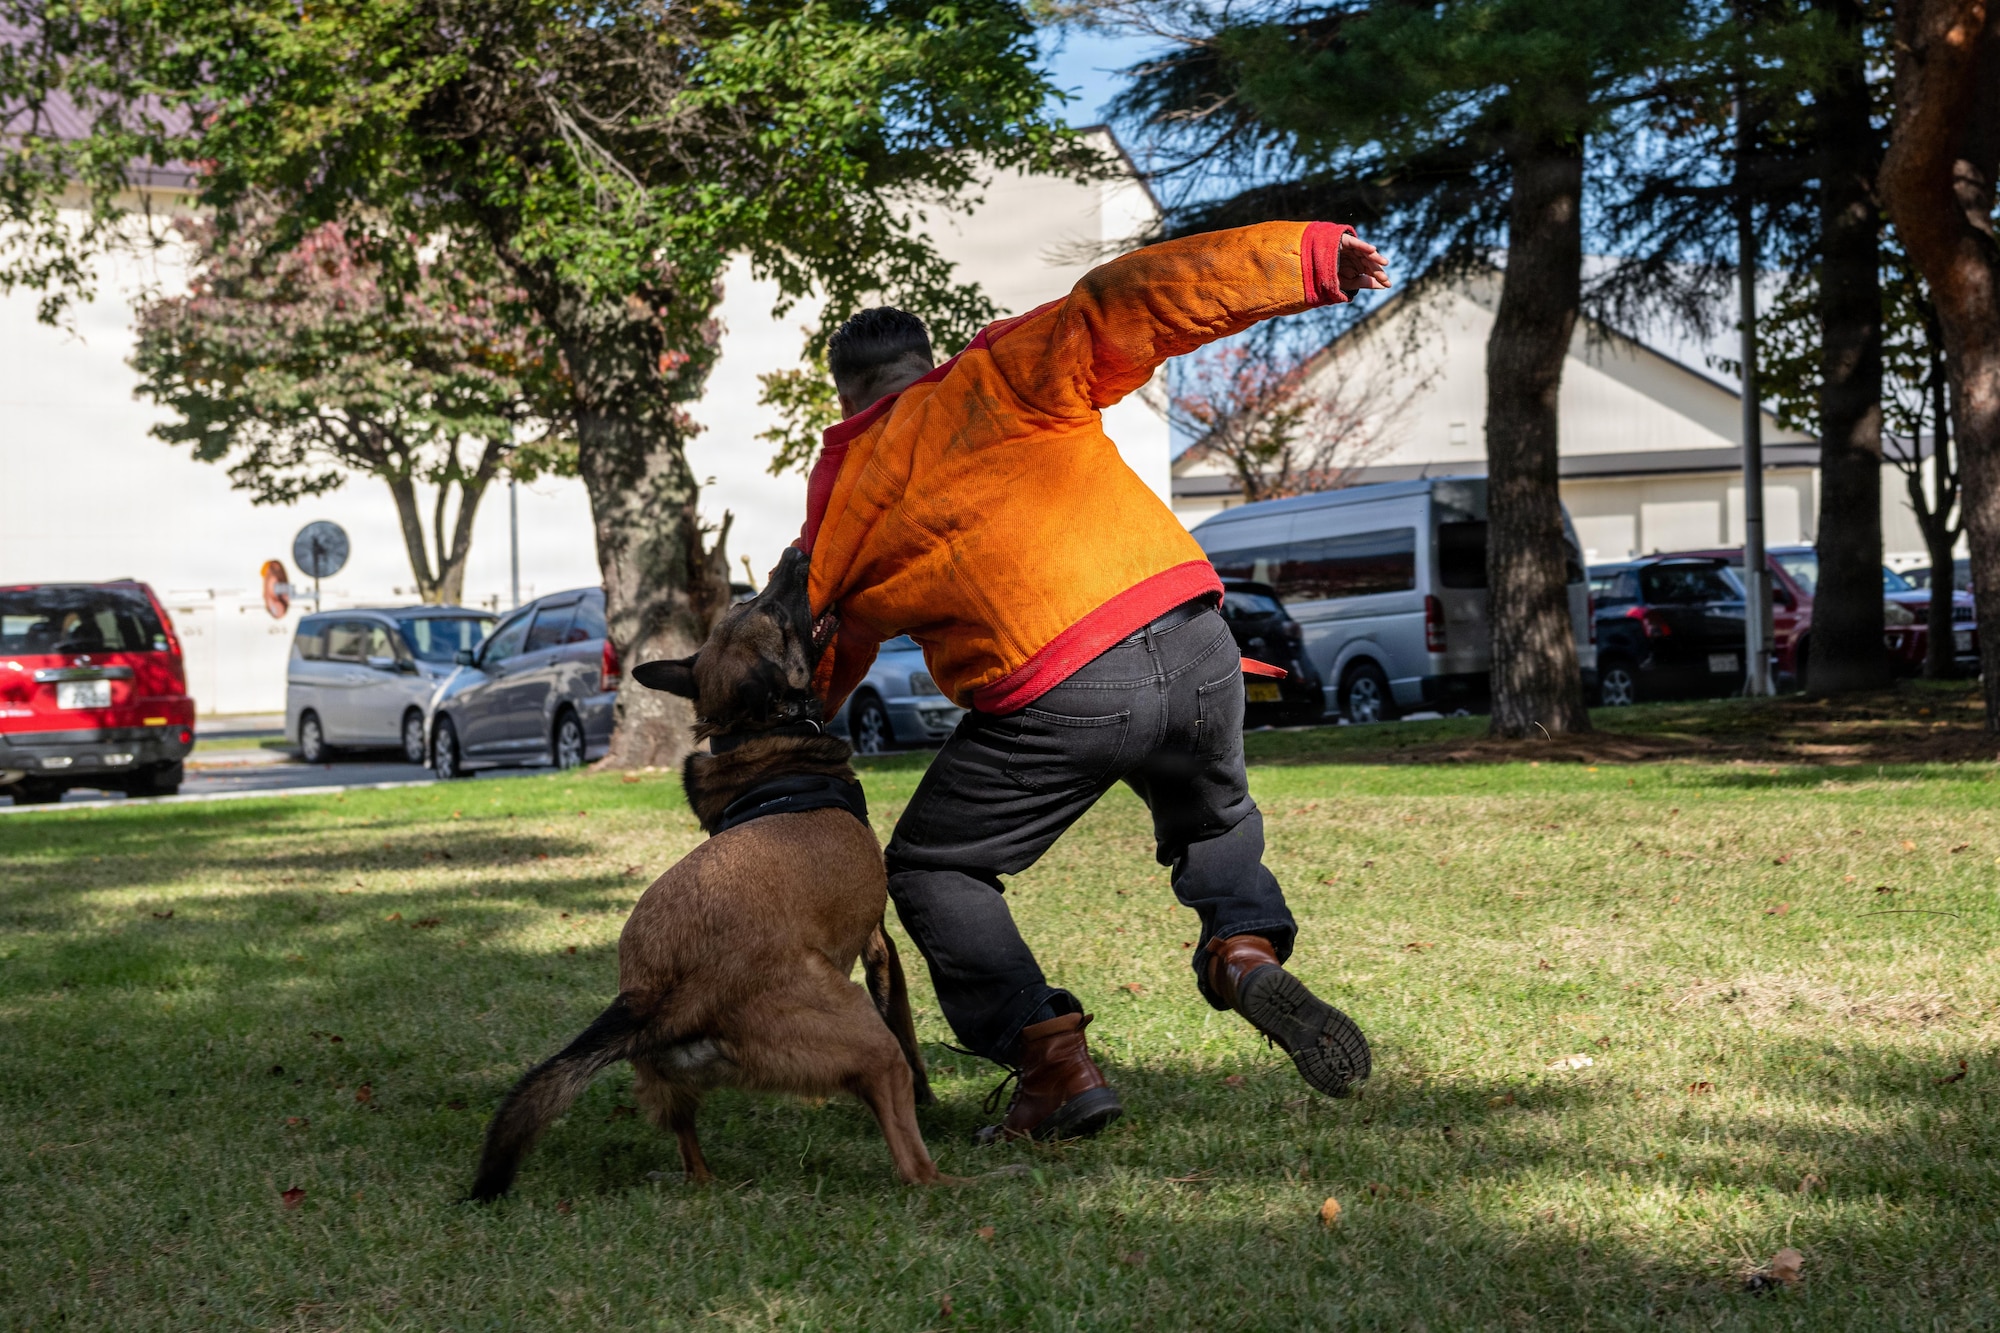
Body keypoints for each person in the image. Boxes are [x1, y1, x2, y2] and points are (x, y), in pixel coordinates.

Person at [797, 222, 1393, 1141]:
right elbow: (1133, 298)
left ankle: (1054, 1065)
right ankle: (1239, 949)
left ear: (843, 395)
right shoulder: (996, 373)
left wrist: (793, 738)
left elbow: (821, 636)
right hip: (1196, 637)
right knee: (1215, 816)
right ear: (927, 359)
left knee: (935, 865)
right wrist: (1303, 261)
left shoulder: (851, 492)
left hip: (1057, 684)